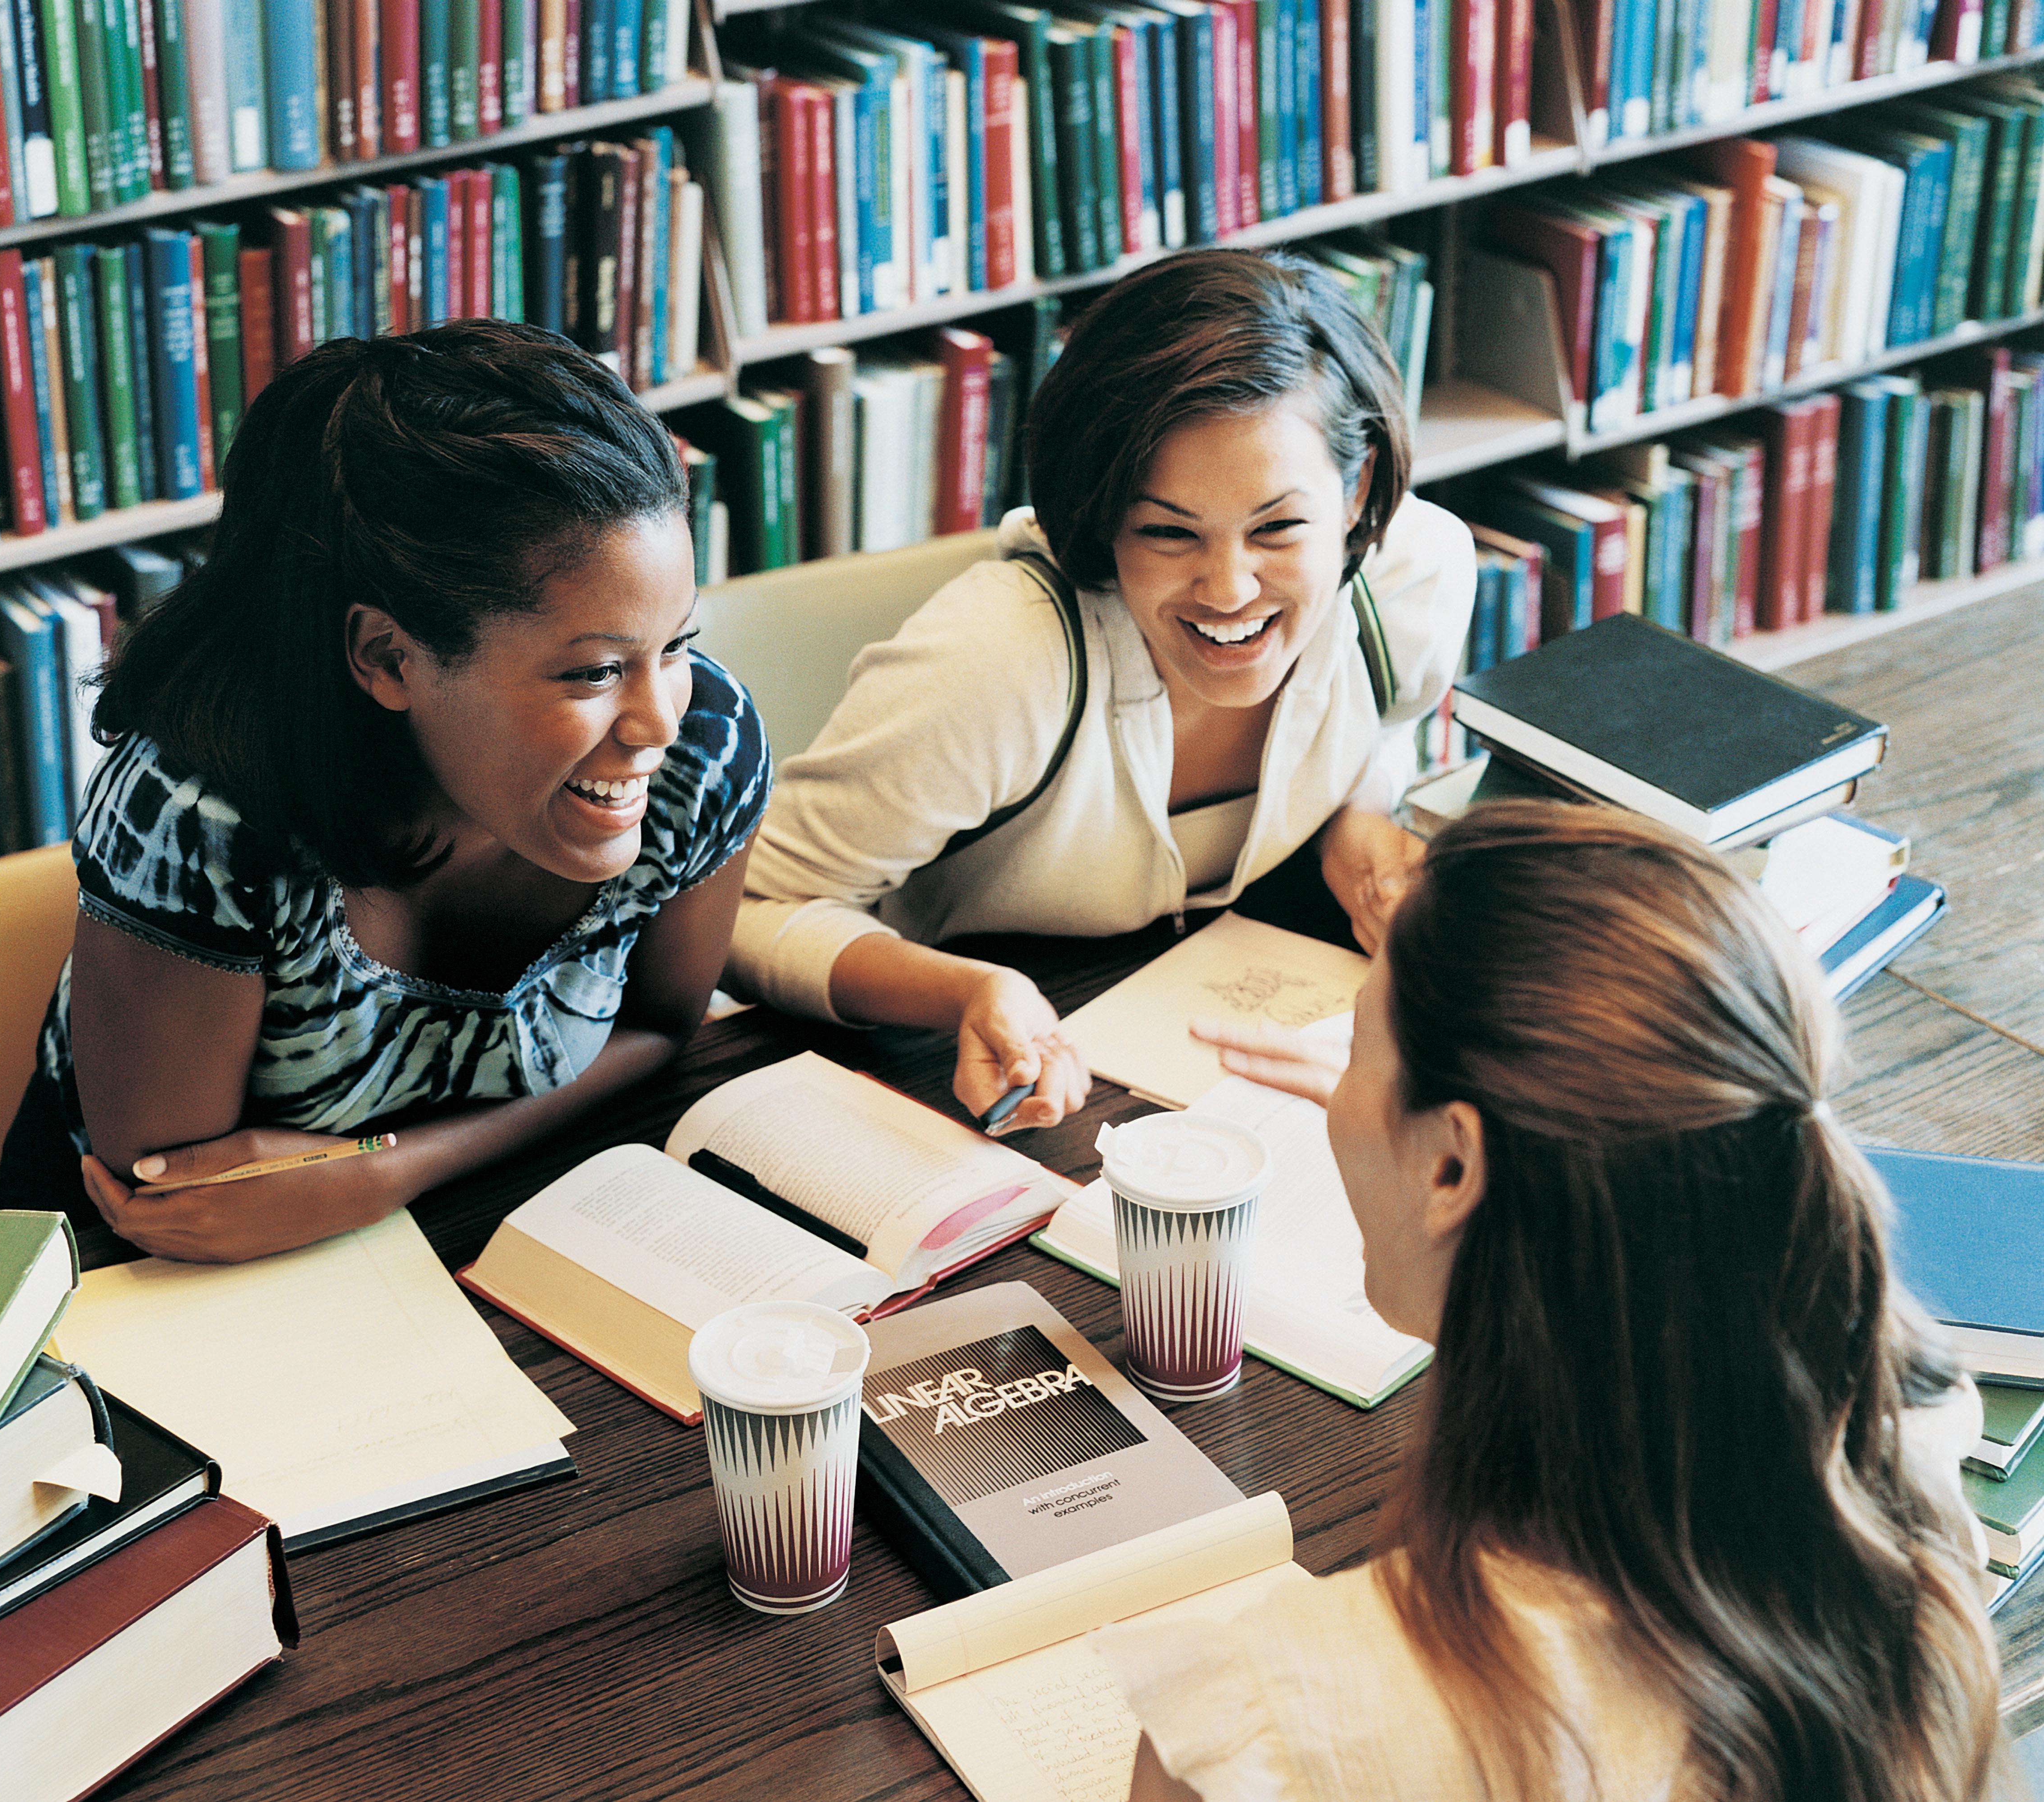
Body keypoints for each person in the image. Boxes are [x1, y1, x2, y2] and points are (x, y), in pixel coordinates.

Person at [1108, 800, 2001, 1802]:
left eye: (1355, 1043)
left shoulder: (1276, 1723)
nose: (1340, 1091)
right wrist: (1428, 1142)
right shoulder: (1911, 1487)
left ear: (1456, 1161)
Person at [0, 321, 769, 1264]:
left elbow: (663, 1025)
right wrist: (377, 1184)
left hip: (489, 1219)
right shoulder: (200, 817)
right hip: (146, 1284)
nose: (658, 722)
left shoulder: (706, 748)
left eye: (677, 647)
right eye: (594, 673)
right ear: (388, 657)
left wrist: (386, 1170)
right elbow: (170, 1197)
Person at [727, 249, 1474, 1135]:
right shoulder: (1000, 663)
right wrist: (963, 991)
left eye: (1278, 527)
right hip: (979, 1072)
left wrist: (1356, 815)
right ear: (1100, 511)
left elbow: (1378, 725)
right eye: (1168, 532)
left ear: (1355, 494)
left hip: (1237, 1063)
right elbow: (747, 910)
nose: (1230, 590)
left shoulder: (1413, 578)